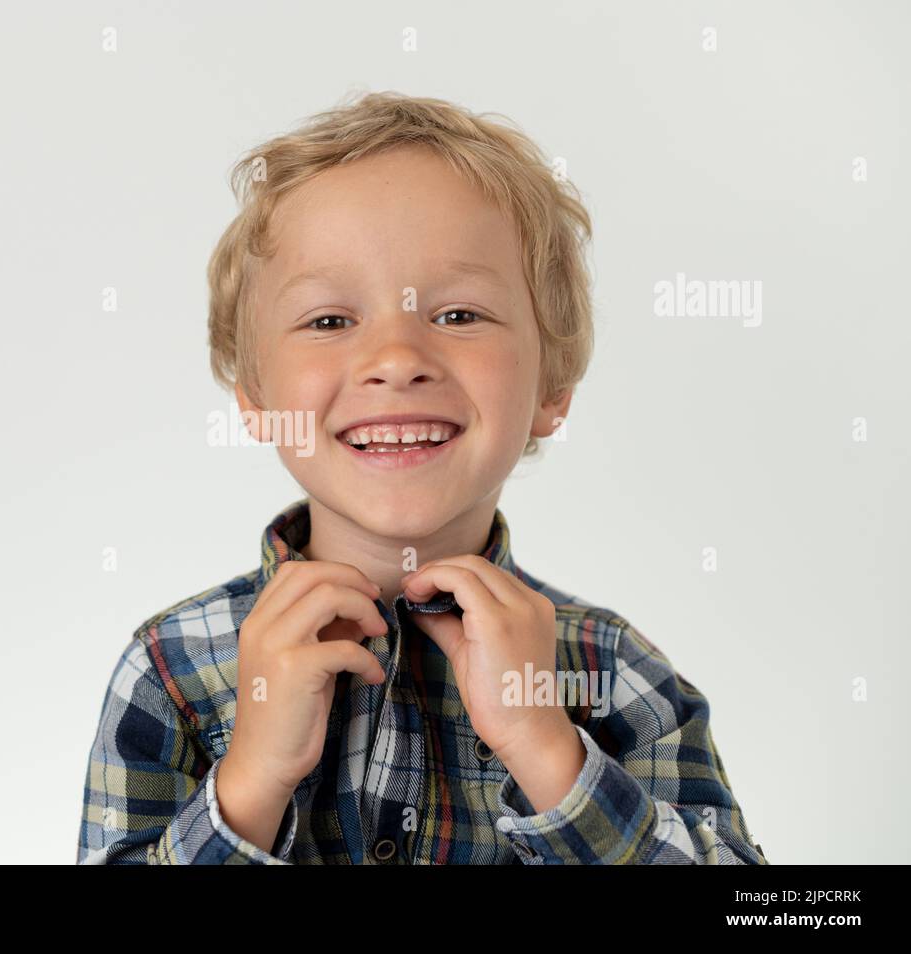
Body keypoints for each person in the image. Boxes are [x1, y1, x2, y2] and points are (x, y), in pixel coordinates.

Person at [76, 90, 766, 865]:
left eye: (460, 315)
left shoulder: (615, 674)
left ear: (552, 385)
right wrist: (252, 783)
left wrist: (546, 751)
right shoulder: (174, 670)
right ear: (258, 401)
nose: (397, 359)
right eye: (330, 321)